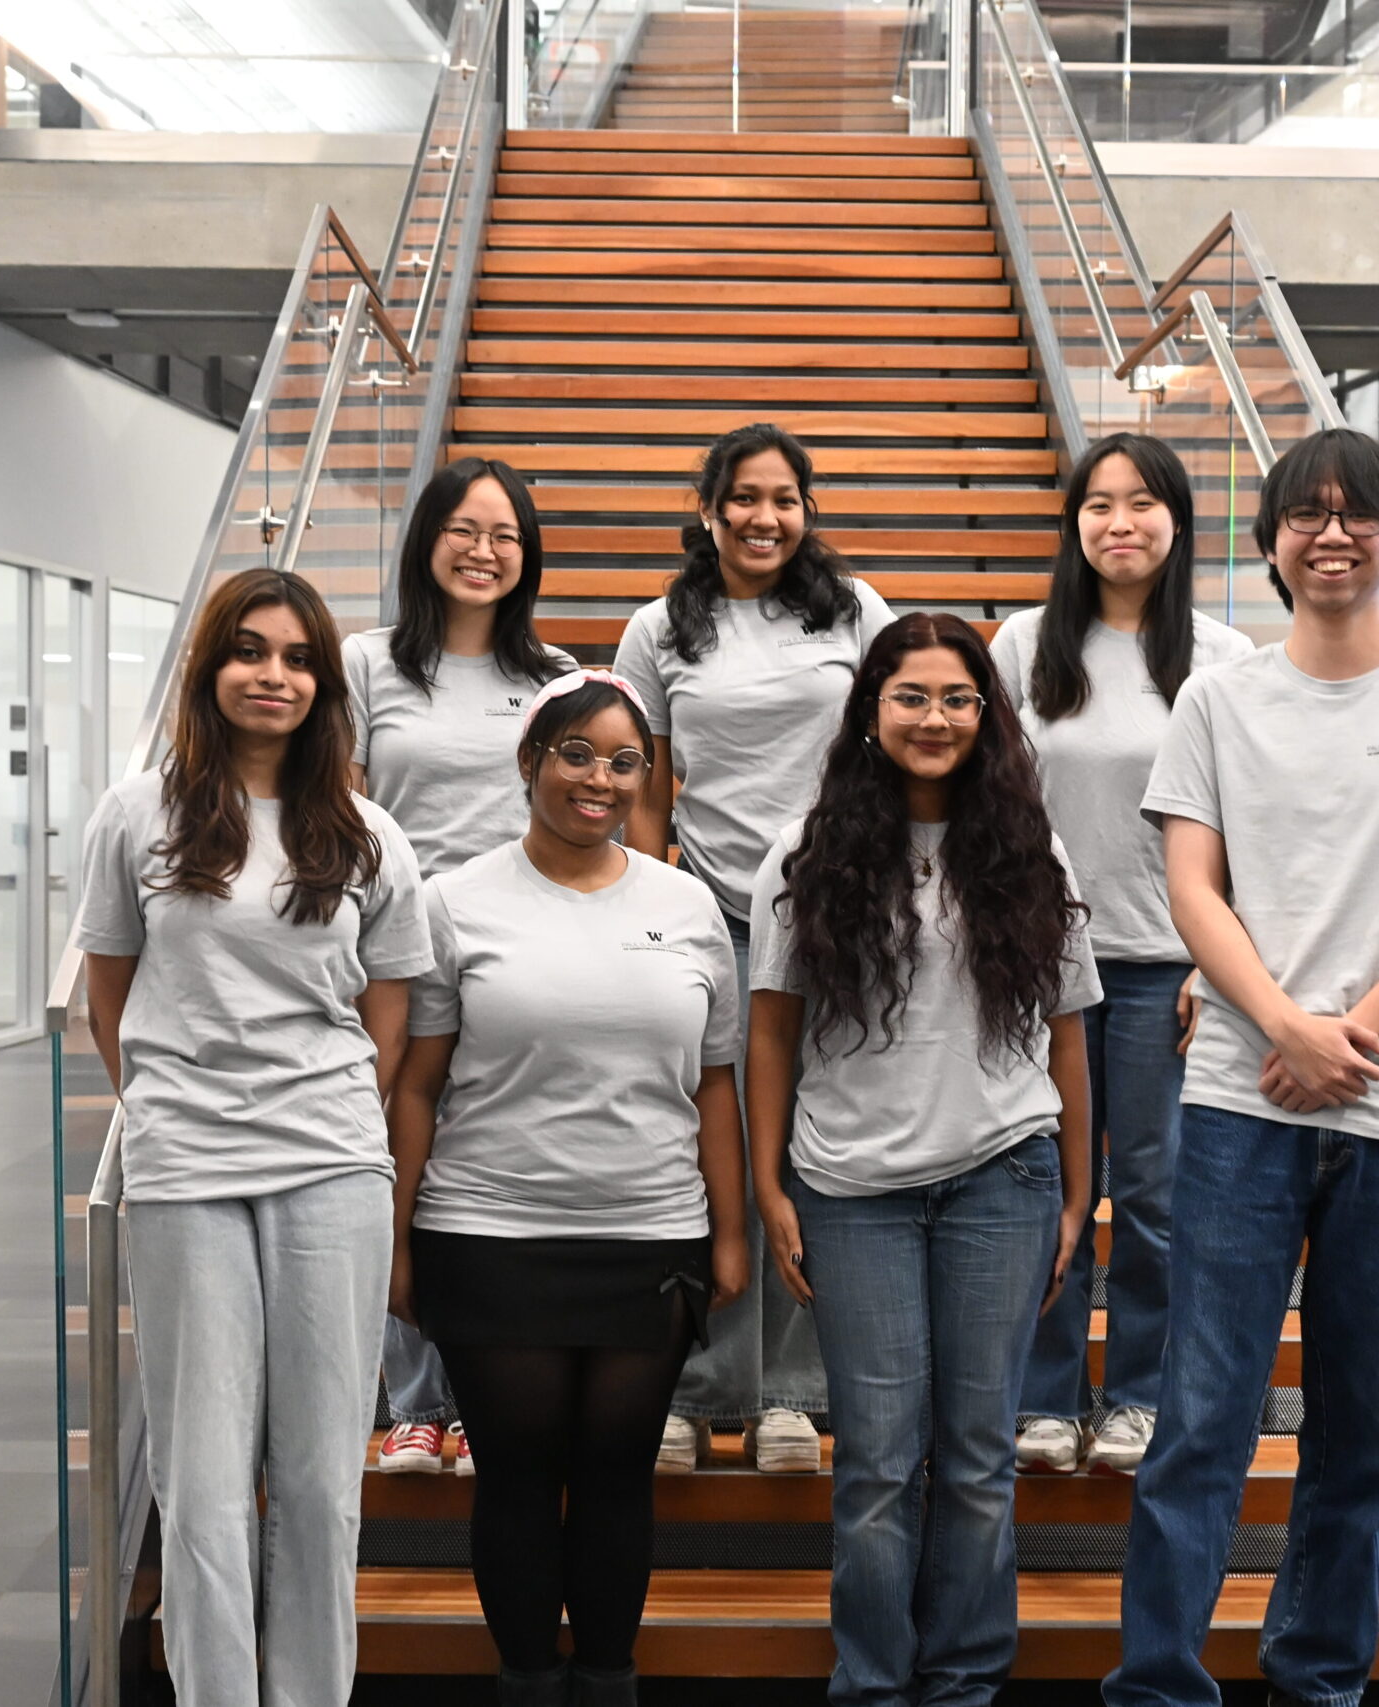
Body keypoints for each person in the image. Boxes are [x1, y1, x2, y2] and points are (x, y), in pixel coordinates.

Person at [1108, 428, 1379, 1707]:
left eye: (1359, 515)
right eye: (1308, 514)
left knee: (1360, 1435)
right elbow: (1191, 885)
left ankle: (1318, 1677)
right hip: (1242, 1098)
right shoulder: (1219, 698)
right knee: (1202, 1421)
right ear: (1273, 539)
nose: (1332, 534)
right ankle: (1158, 1684)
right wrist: (1286, 1029)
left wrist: (1347, 1039)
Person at [75, 566, 432, 1707]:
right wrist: (177, 1099)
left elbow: (390, 1013)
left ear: (324, 682)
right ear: (211, 668)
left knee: (324, 1480)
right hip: (184, 1163)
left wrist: (324, 1110)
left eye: (295, 657)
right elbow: (110, 996)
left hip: (330, 1162)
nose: (271, 675)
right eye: (248, 651)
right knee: (203, 1476)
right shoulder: (139, 814)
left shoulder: (369, 834)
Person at [746, 612, 1097, 1707]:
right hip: (852, 1192)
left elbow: (1072, 1028)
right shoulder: (801, 855)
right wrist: (767, 1186)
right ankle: (871, 1682)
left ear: (986, 716)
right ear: (870, 713)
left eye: (957, 699)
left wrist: (1081, 1192)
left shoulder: (1032, 851)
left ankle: (963, 1682)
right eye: (911, 697)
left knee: (980, 1457)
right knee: (879, 1465)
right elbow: (767, 1031)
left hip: (1002, 1175)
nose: (935, 717)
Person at [389, 669, 749, 1707]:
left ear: (650, 778)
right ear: (529, 762)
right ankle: (527, 1682)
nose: (600, 779)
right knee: (513, 1474)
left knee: (614, 1474)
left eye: (624, 761)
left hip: (650, 1237)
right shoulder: (452, 902)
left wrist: (728, 1235)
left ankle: (605, 1680)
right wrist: (398, 1237)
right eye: (576, 754)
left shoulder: (687, 907)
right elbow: (416, 1085)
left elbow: (717, 1088)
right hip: (486, 1232)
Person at [615, 422, 897, 1474]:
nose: (764, 517)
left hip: (835, 910)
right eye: (743, 497)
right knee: (715, 1153)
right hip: (713, 917)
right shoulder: (660, 628)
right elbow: (644, 775)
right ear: (709, 508)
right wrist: (657, 902)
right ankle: (700, 1391)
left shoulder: (854, 611)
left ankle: (792, 1393)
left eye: (784, 498)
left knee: (812, 1145)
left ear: (806, 510)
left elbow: (898, 735)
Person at [990, 432, 1254, 1478]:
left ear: (1178, 521)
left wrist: (1214, 959)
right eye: (1098, 505)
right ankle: (1047, 1399)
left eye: (1142, 503)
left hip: (1164, 967)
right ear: (1073, 526)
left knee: (1152, 1194)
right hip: (1042, 967)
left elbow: (1252, 821)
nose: (1119, 522)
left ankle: (1139, 1394)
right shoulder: (1022, 646)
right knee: (1047, 1185)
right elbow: (993, 804)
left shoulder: (1222, 660)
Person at [344, 456, 575, 1476]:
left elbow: (580, 818)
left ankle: (484, 1394)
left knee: (491, 1174)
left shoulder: (555, 679)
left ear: (526, 558)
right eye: (465, 529)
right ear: (426, 537)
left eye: (505, 537)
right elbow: (336, 808)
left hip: (513, 955)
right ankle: (412, 1400)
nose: (484, 552)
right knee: (398, 1164)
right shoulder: (362, 665)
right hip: (391, 955)